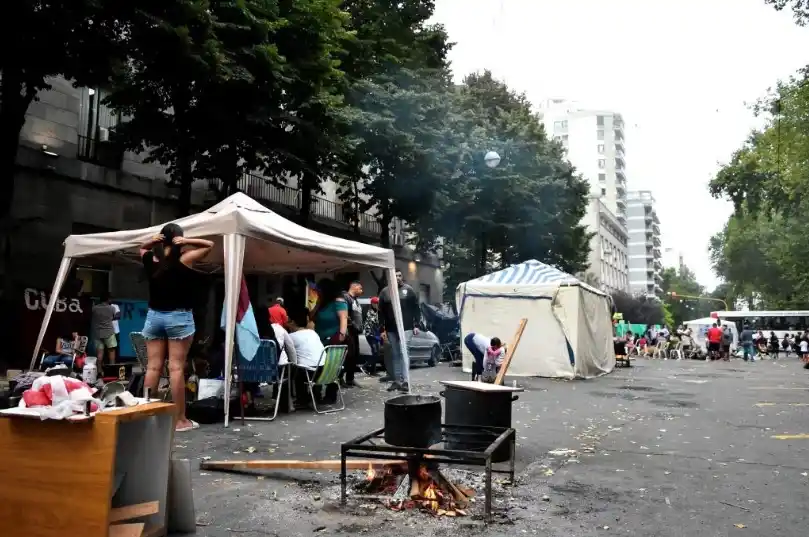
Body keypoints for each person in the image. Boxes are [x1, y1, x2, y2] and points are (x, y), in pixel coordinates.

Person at [139, 223, 213, 432]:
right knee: (176, 368)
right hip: (178, 318)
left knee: (153, 367)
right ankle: (180, 420)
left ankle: (145, 414)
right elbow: (209, 245)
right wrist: (188, 241)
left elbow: (142, 248)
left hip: (154, 317)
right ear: (178, 239)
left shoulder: (151, 260)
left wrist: (153, 241)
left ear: (162, 239)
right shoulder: (185, 259)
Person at [379, 269, 420, 392]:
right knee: (395, 354)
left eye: (399, 275)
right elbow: (381, 312)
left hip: (406, 327)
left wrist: (416, 324)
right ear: (390, 277)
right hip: (391, 328)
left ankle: (406, 382)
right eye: (395, 275)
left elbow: (416, 308)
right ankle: (397, 381)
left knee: (404, 352)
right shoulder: (385, 292)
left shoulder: (409, 290)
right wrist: (382, 329)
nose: (397, 277)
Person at [287, 306, 334, 406]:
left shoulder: (291, 337)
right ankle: (315, 395)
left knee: (297, 373)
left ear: (293, 322)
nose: (286, 323)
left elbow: (291, 357)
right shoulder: (313, 333)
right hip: (325, 369)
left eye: (288, 321)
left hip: (311, 372)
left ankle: (302, 400)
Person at [342, 281, 364, 387]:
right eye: (360, 288)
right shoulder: (346, 298)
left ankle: (350, 379)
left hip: (355, 332)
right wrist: (353, 325)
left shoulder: (355, 300)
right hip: (349, 331)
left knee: (354, 356)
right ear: (354, 287)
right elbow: (345, 315)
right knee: (347, 356)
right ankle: (341, 378)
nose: (361, 291)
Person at [91, 291, 120, 367]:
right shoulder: (112, 308)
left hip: (98, 333)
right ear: (108, 299)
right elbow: (115, 317)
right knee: (112, 352)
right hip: (109, 333)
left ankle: (99, 370)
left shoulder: (94, 308)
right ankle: (112, 369)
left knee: (100, 353)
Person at [363, 296, 382, 376]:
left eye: (378, 303)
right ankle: (365, 366)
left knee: (376, 353)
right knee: (375, 351)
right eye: (376, 303)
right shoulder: (369, 311)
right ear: (372, 303)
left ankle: (372, 371)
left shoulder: (378, 311)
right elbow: (373, 322)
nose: (377, 304)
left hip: (376, 334)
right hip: (370, 334)